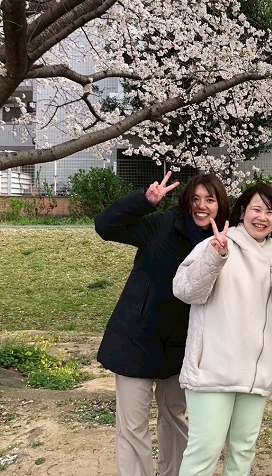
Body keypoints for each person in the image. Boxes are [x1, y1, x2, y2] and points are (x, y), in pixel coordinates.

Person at [95, 171, 230, 476]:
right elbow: (105, 226)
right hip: (137, 336)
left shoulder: (224, 242)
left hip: (183, 343)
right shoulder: (163, 224)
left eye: (210, 200)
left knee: (175, 416)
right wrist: (144, 201)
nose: (201, 206)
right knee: (132, 425)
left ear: (220, 205)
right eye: (195, 199)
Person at [172, 183, 272, 476]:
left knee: (243, 451)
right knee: (204, 451)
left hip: (255, 375)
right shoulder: (217, 244)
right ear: (242, 212)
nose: (262, 217)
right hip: (213, 372)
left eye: (270, 212)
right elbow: (185, 290)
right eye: (257, 209)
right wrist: (214, 257)